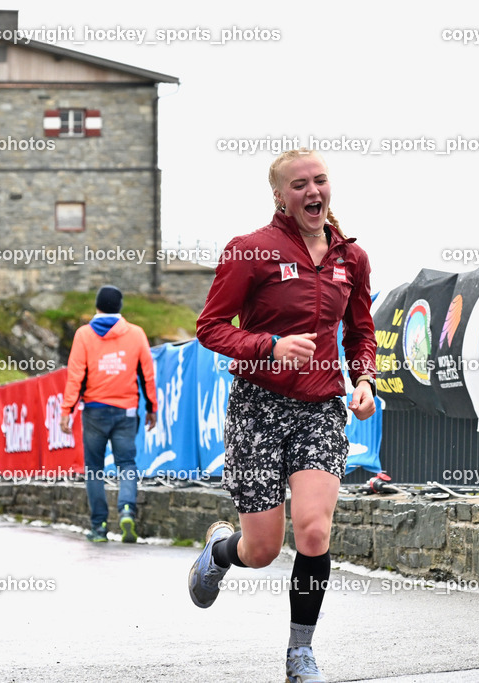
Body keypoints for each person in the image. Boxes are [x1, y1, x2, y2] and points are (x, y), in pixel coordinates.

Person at [189, 148, 377, 682]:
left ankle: (300, 654)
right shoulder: (250, 250)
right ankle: (221, 553)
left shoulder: (352, 259)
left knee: (314, 533)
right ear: (279, 195)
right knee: (265, 548)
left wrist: (363, 379)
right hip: (257, 407)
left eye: (319, 181)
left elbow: (361, 333)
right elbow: (211, 327)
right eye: (299, 185)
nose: (312, 192)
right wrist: (269, 345)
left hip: (321, 406)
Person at [60, 286, 158, 543]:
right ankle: (127, 509)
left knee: (94, 469)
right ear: (120, 306)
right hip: (126, 412)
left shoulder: (83, 335)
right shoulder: (136, 334)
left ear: (97, 306)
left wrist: (66, 410)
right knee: (126, 464)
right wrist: (152, 409)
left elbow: (75, 376)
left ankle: (99, 526)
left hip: (94, 411)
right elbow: (147, 375)